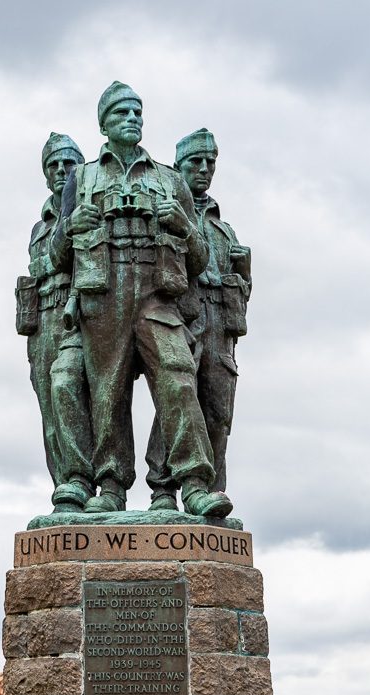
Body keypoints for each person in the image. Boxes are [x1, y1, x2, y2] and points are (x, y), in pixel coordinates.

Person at [52, 83, 233, 518]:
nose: (131, 119)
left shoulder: (169, 179)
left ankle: (192, 483)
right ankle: (111, 487)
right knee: (107, 393)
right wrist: (72, 224)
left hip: (156, 296)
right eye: (121, 114)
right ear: (104, 125)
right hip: (104, 294)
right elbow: (59, 258)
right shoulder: (84, 177)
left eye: (136, 112)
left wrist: (185, 228)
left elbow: (200, 258)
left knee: (177, 376)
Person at [146, 128, 251, 508]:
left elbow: (243, 290)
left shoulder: (225, 232)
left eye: (210, 163)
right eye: (195, 162)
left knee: (218, 413)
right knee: (176, 399)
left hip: (221, 327)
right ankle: (163, 488)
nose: (204, 169)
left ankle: (211, 491)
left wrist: (245, 273)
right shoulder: (168, 214)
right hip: (183, 319)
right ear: (178, 168)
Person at [17, 133, 94, 512]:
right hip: (42, 320)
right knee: (50, 413)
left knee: (76, 396)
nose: (62, 171)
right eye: (54, 165)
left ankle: (89, 483)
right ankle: (65, 489)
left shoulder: (87, 209)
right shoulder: (39, 226)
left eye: (68, 163)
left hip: (76, 313)